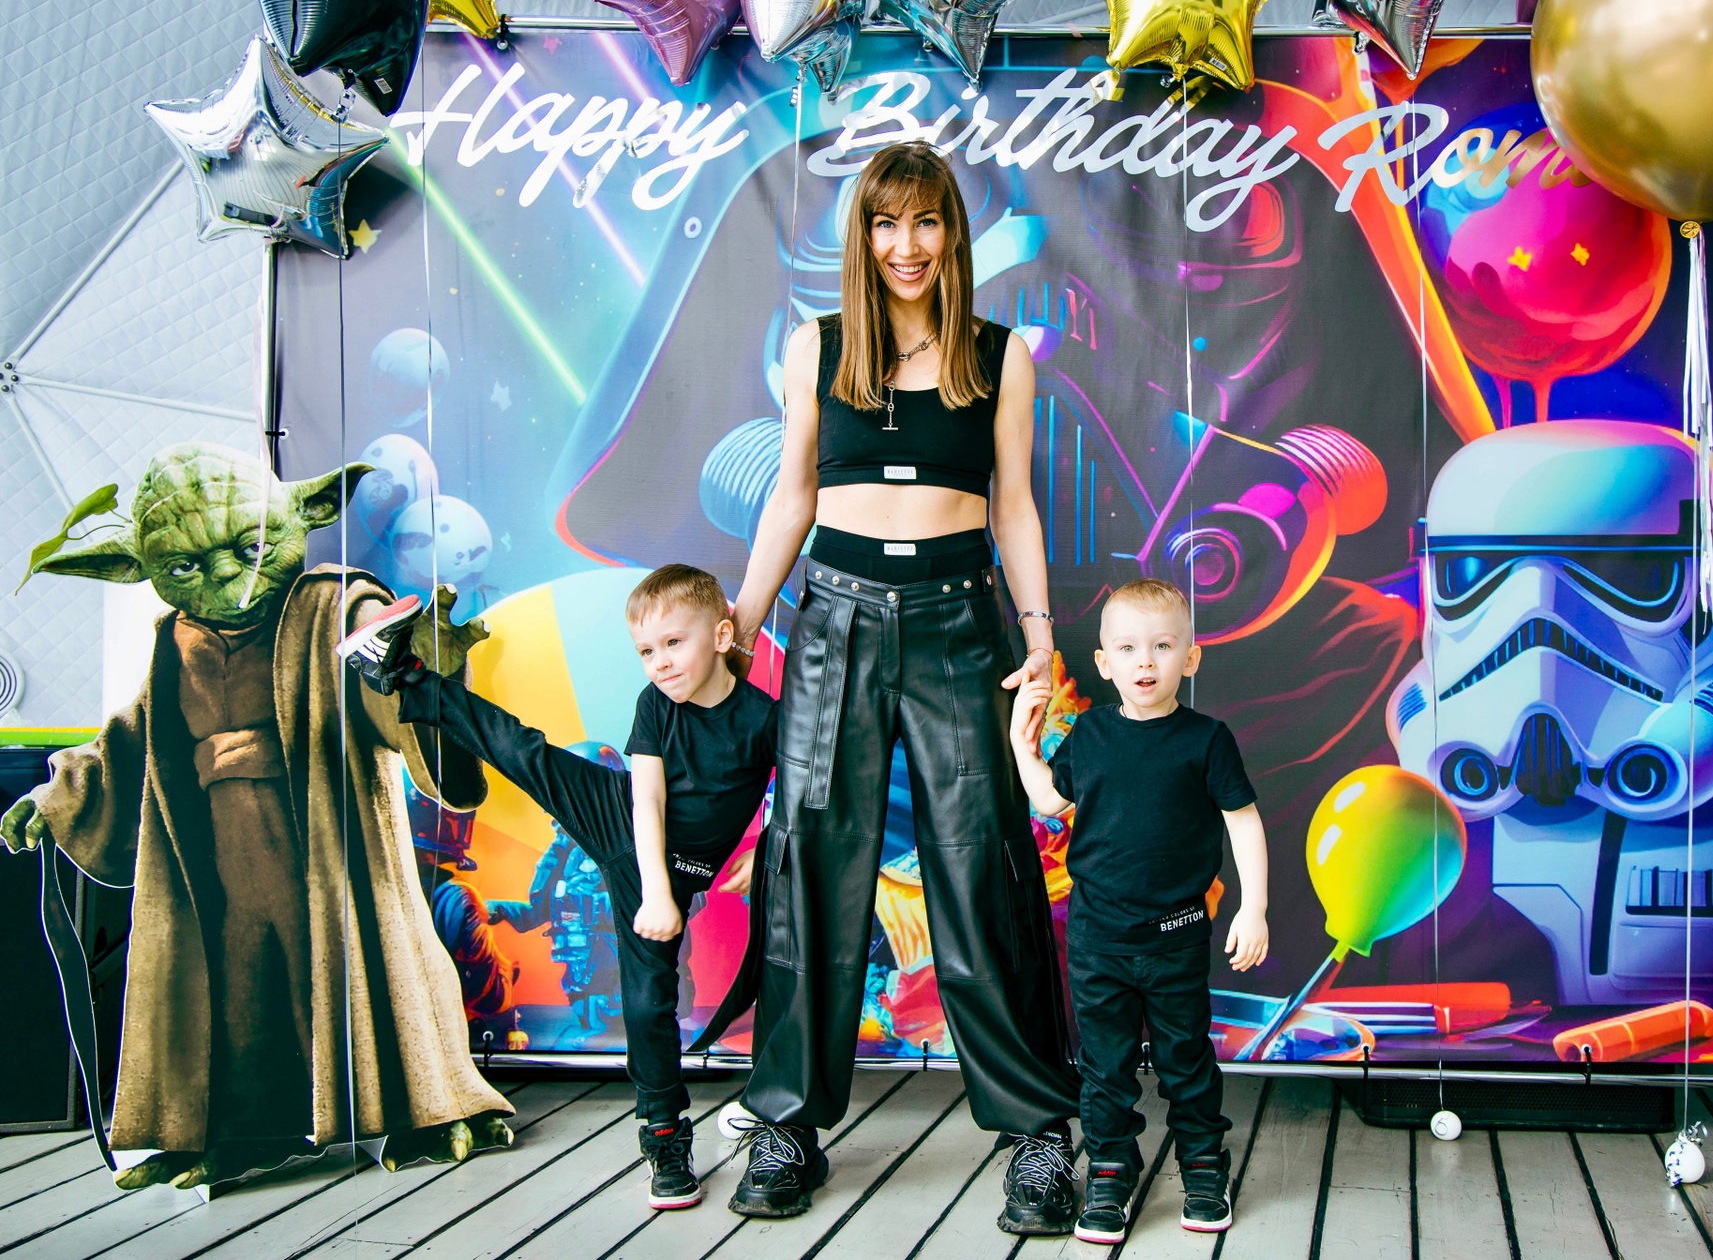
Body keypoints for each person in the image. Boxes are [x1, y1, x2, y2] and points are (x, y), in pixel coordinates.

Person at [698, 140, 1081, 1231]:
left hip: (961, 623)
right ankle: (786, 1123)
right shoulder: (817, 348)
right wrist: (745, 619)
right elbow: (791, 497)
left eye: (925, 222)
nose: (905, 245)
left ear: (952, 233)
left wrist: (1040, 637)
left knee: (983, 863)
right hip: (836, 621)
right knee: (812, 865)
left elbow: (1014, 504)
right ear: (860, 237)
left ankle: (1036, 1132)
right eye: (884, 223)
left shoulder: (999, 355)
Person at [339, 565, 771, 1211]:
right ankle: (397, 672)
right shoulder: (655, 704)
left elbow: (803, 791)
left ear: (721, 636)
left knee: (649, 1000)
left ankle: (665, 1132)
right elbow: (648, 799)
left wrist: (762, 849)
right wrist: (655, 892)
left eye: (673, 644)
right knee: (524, 751)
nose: (659, 663)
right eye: (645, 651)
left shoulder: (764, 719)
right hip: (628, 825)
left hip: (681, 864)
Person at [1008, 578, 1270, 1243]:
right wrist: (1020, 744)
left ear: (1191, 657)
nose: (1145, 662)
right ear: (1104, 663)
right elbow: (1049, 802)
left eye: (1162, 646)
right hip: (1098, 940)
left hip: (1175, 938)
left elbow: (1243, 821)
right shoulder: (1092, 733)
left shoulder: (1206, 740)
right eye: (1127, 648)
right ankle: (1110, 1171)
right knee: (1104, 1067)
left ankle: (1203, 1164)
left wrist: (1254, 908)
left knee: (1187, 1060)